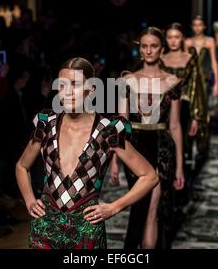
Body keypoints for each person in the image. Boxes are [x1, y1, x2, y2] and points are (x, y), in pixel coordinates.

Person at [16, 57, 159, 249]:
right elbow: (22, 166)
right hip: (45, 227)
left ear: (91, 89)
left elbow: (149, 176)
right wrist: (30, 201)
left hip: (86, 229)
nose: (67, 93)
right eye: (62, 85)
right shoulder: (46, 123)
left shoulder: (107, 130)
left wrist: (114, 207)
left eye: (75, 85)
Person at [111, 27, 185, 249]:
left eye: (153, 46)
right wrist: (114, 160)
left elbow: (175, 125)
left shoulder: (173, 82)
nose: (149, 50)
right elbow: (121, 122)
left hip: (162, 147)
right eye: (144, 46)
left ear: (161, 49)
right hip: (134, 147)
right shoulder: (127, 80)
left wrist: (180, 166)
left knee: (153, 208)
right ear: (140, 49)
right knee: (139, 205)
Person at [160, 22, 206, 214]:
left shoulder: (190, 58)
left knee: (183, 150)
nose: (173, 40)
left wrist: (196, 116)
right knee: (165, 150)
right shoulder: (160, 58)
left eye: (176, 37)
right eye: (169, 37)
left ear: (182, 39)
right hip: (162, 108)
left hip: (185, 107)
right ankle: (166, 193)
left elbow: (196, 88)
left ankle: (182, 193)